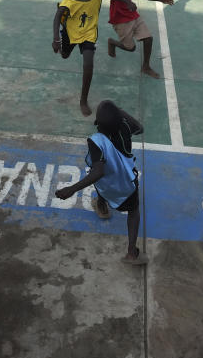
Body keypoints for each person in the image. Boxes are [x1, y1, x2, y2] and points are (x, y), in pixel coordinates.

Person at [54, 100, 147, 263]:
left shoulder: (96, 141)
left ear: (97, 122)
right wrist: (121, 112)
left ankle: (102, 206)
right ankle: (132, 252)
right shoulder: (125, 127)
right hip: (127, 182)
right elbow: (140, 127)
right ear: (120, 117)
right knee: (133, 211)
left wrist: (72, 189)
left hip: (106, 181)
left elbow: (98, 172)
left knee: (101, 184)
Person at [53, 0, 135, 116]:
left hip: (89, 34)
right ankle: (64, 46)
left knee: (88, 64)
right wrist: (56, 37)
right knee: (65, 55)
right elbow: (58, 14)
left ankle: (83, 100)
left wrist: (127, 1)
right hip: (71, 33)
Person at [106, 0, 175, 79]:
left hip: (131, 14)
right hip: (119, 18)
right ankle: (112, 43)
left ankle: (146, 67)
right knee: (130, 48)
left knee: (148, 38)